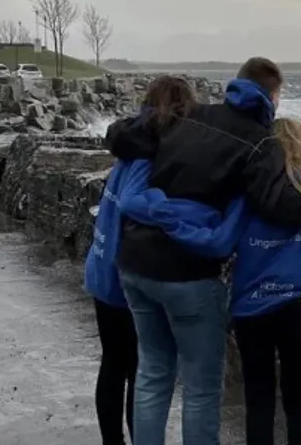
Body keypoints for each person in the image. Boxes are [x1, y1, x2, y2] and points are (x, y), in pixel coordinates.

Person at [105, 58, 301, 445]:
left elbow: (126, 136)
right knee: (199, 387)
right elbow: (283, 205)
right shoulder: (259, 140)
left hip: (135, 263)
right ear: (272, 97)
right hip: (187, 273)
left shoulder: (190, 115)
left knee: (152, 373)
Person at [84, 76, 238, 445]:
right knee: (139, 369)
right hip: (126, 269)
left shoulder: (129, 143)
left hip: (102, 265)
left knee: (117, 366)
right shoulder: (148, 152)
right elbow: (136, 204)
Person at [230, 118, 301, 445]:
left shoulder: (247, 190)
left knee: (259, 403)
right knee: (299, 403)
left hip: (251, 308)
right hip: (299, 305)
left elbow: (228, 245)